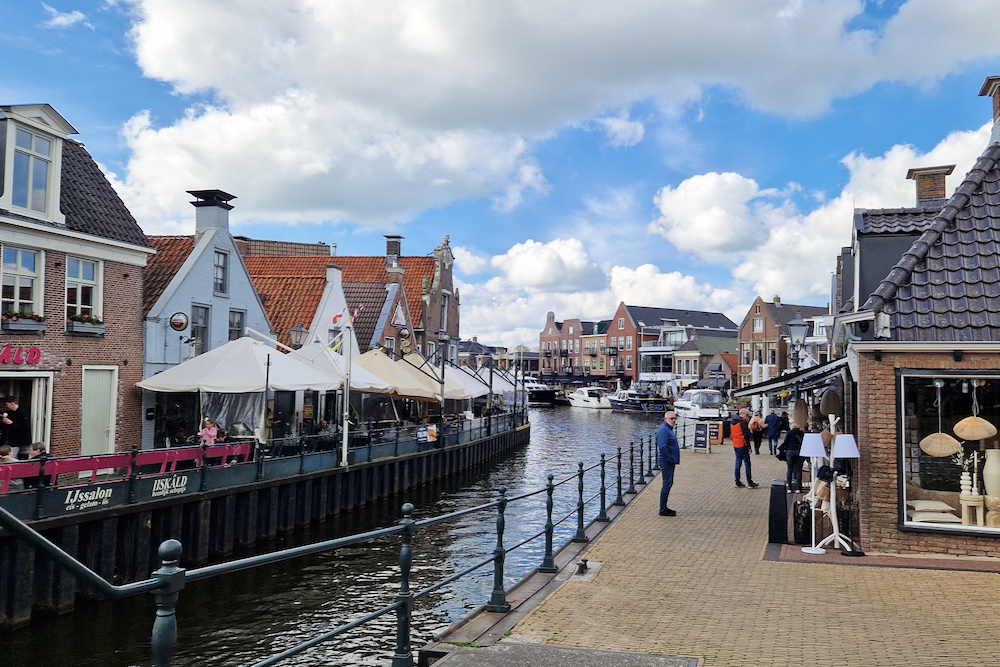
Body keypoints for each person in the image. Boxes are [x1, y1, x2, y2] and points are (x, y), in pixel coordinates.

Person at [656, 410, 680, 516]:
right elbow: (662, 446)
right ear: (666, 419)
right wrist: (669, 458)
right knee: (667, 484)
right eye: (671, 418)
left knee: (668, 484)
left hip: (670, 461)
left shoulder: (668, 429)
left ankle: (664, 507)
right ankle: (663, 509)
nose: (674, 420)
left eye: (675, 418)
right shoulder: (664, 430)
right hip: (666, 461)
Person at [730, 408, 758, 488]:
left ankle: (737, 481)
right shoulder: (742, 423)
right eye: (746, 415)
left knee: (738, 463)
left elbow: (731, 435)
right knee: (747, 464)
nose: (747, 417)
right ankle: (749, 482)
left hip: (736, 445)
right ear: (742, 414)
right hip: (742, 445)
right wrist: (749, 447)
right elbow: (745, 436)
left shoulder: (732, 423)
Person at [777, 421, 806, 493]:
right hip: (799, 452)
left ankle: (789, 487)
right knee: (799, 470)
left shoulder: (789, 433)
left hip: (790, 452)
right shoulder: (802, 433)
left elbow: (785, 442)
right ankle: (798, 488)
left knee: (790, 469)